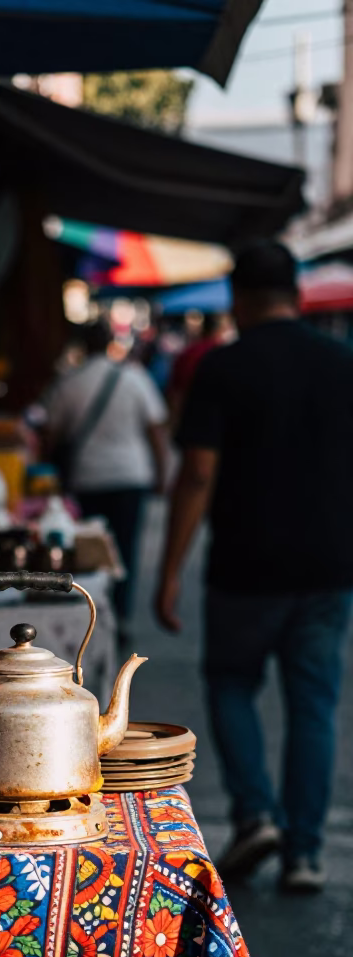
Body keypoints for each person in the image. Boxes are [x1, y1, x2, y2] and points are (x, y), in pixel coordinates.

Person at [155, 240, 353, 892]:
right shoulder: (341, 363)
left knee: (232, 683)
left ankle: (254, 816)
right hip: (328, 564)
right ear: (295, 294)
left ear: (238, 298)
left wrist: (170, 571)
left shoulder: (224, 368)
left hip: (245, 563)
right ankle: (304, 852)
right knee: (313, 705)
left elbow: (199, 474)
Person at [47, 320, 168, 641]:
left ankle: (92, 617)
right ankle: (121, 617)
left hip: (87, 478)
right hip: (131, 476)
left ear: (83, 346)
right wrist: (162, 472)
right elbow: (156, 429)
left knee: (89, 554)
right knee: (125, 551)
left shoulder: (70, 382)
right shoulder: (134, 378)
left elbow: (51, 433)